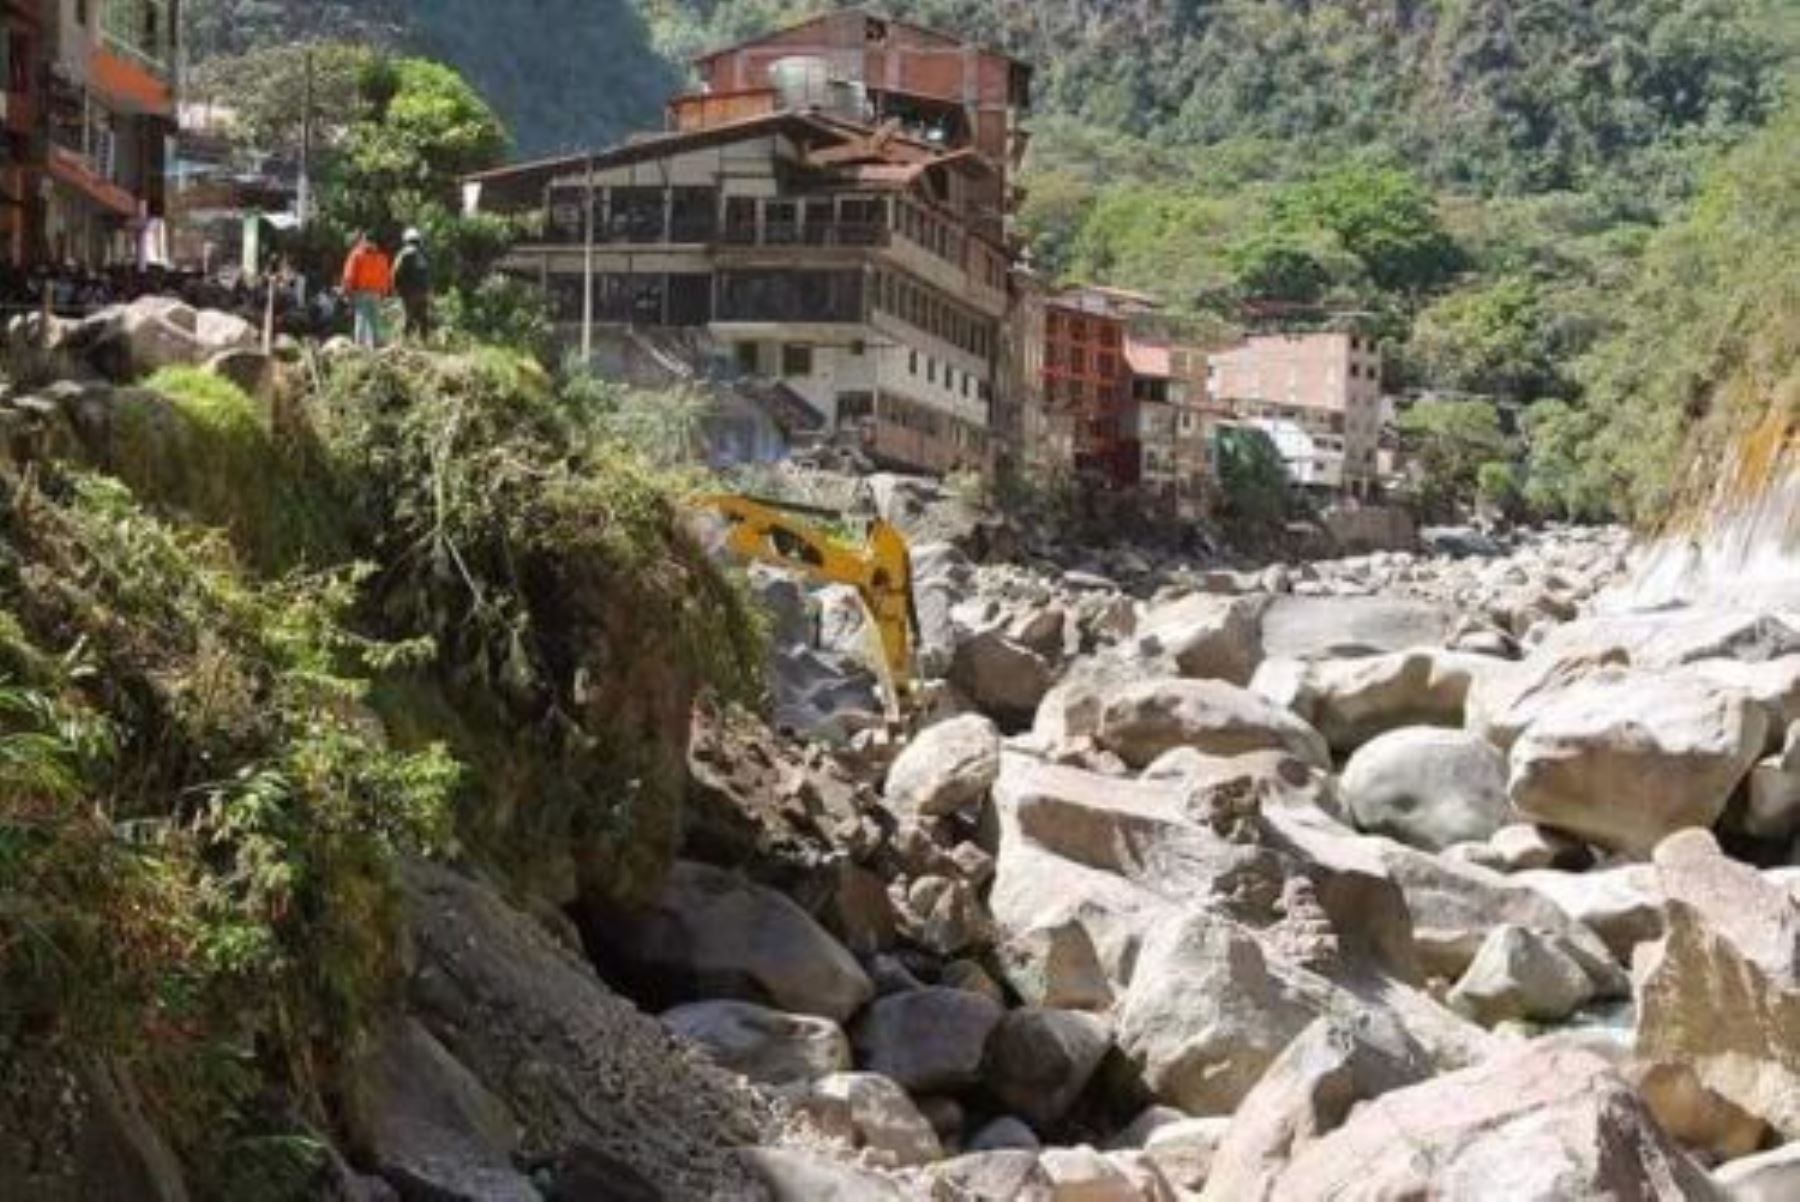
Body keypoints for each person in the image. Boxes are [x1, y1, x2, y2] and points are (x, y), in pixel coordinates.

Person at [341, 231, 392, 349]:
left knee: (361, 318)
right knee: (375, 319)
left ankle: (360, 346)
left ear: (364, 240)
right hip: (376, 292)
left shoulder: (356, 254)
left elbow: (349, 274)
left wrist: (346, 290)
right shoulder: (381, 257)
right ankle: (376, 344)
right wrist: (384, 292)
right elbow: (385, 276)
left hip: (361, 292)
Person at [393, 227, 433, 342]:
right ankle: (424, 340)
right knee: (423, 317)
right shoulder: (424, 253)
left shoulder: (404, 253)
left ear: (406, 240)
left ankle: (406, 340)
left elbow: (396, 271)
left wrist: (396, 288)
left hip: (409, 290)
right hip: (423, 290)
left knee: (408, 316)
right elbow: (429, 272)